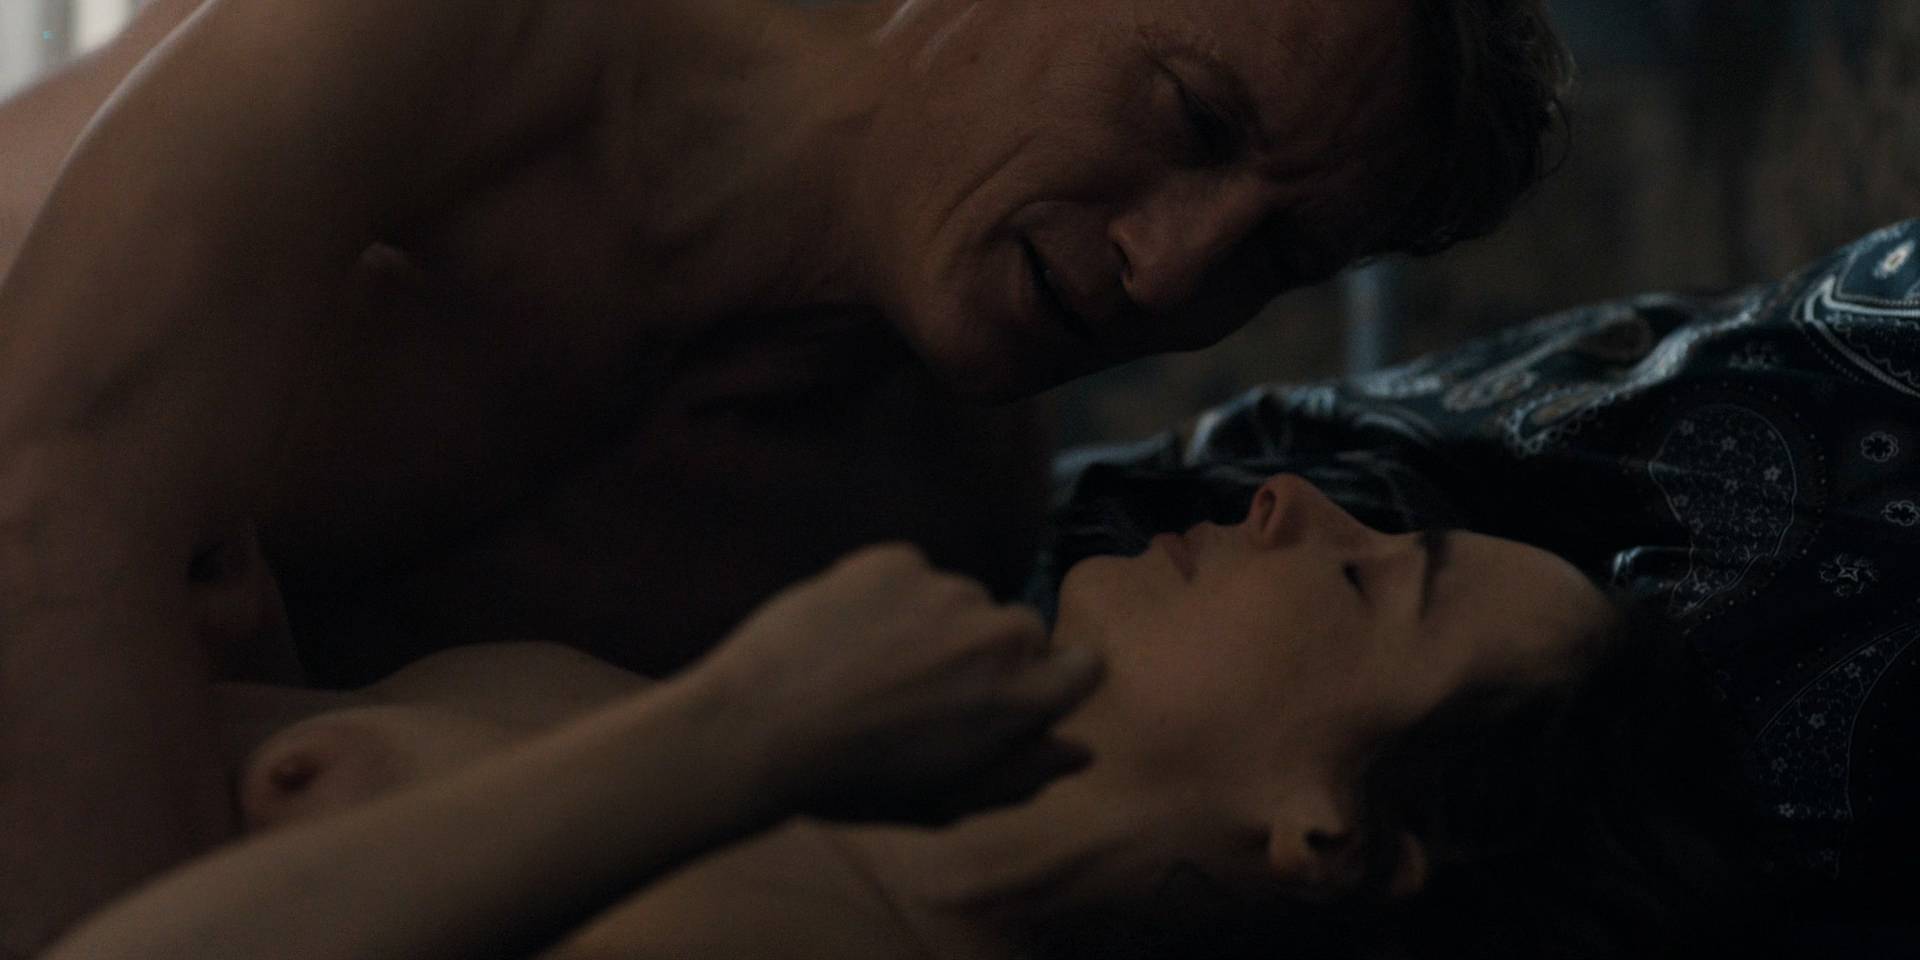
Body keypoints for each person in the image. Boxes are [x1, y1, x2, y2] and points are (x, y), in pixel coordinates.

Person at [0, 0, 1573, 951]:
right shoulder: (487, 44)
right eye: (1191, 118)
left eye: (1274, 254)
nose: (1168, 268)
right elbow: (40, 510)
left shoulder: (923, 536)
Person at [43, 474, 1764, 960]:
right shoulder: (814, 777)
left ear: (1336, 838)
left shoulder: (778, 812)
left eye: (1382, 579)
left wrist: (741, 732)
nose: (1292, 500)